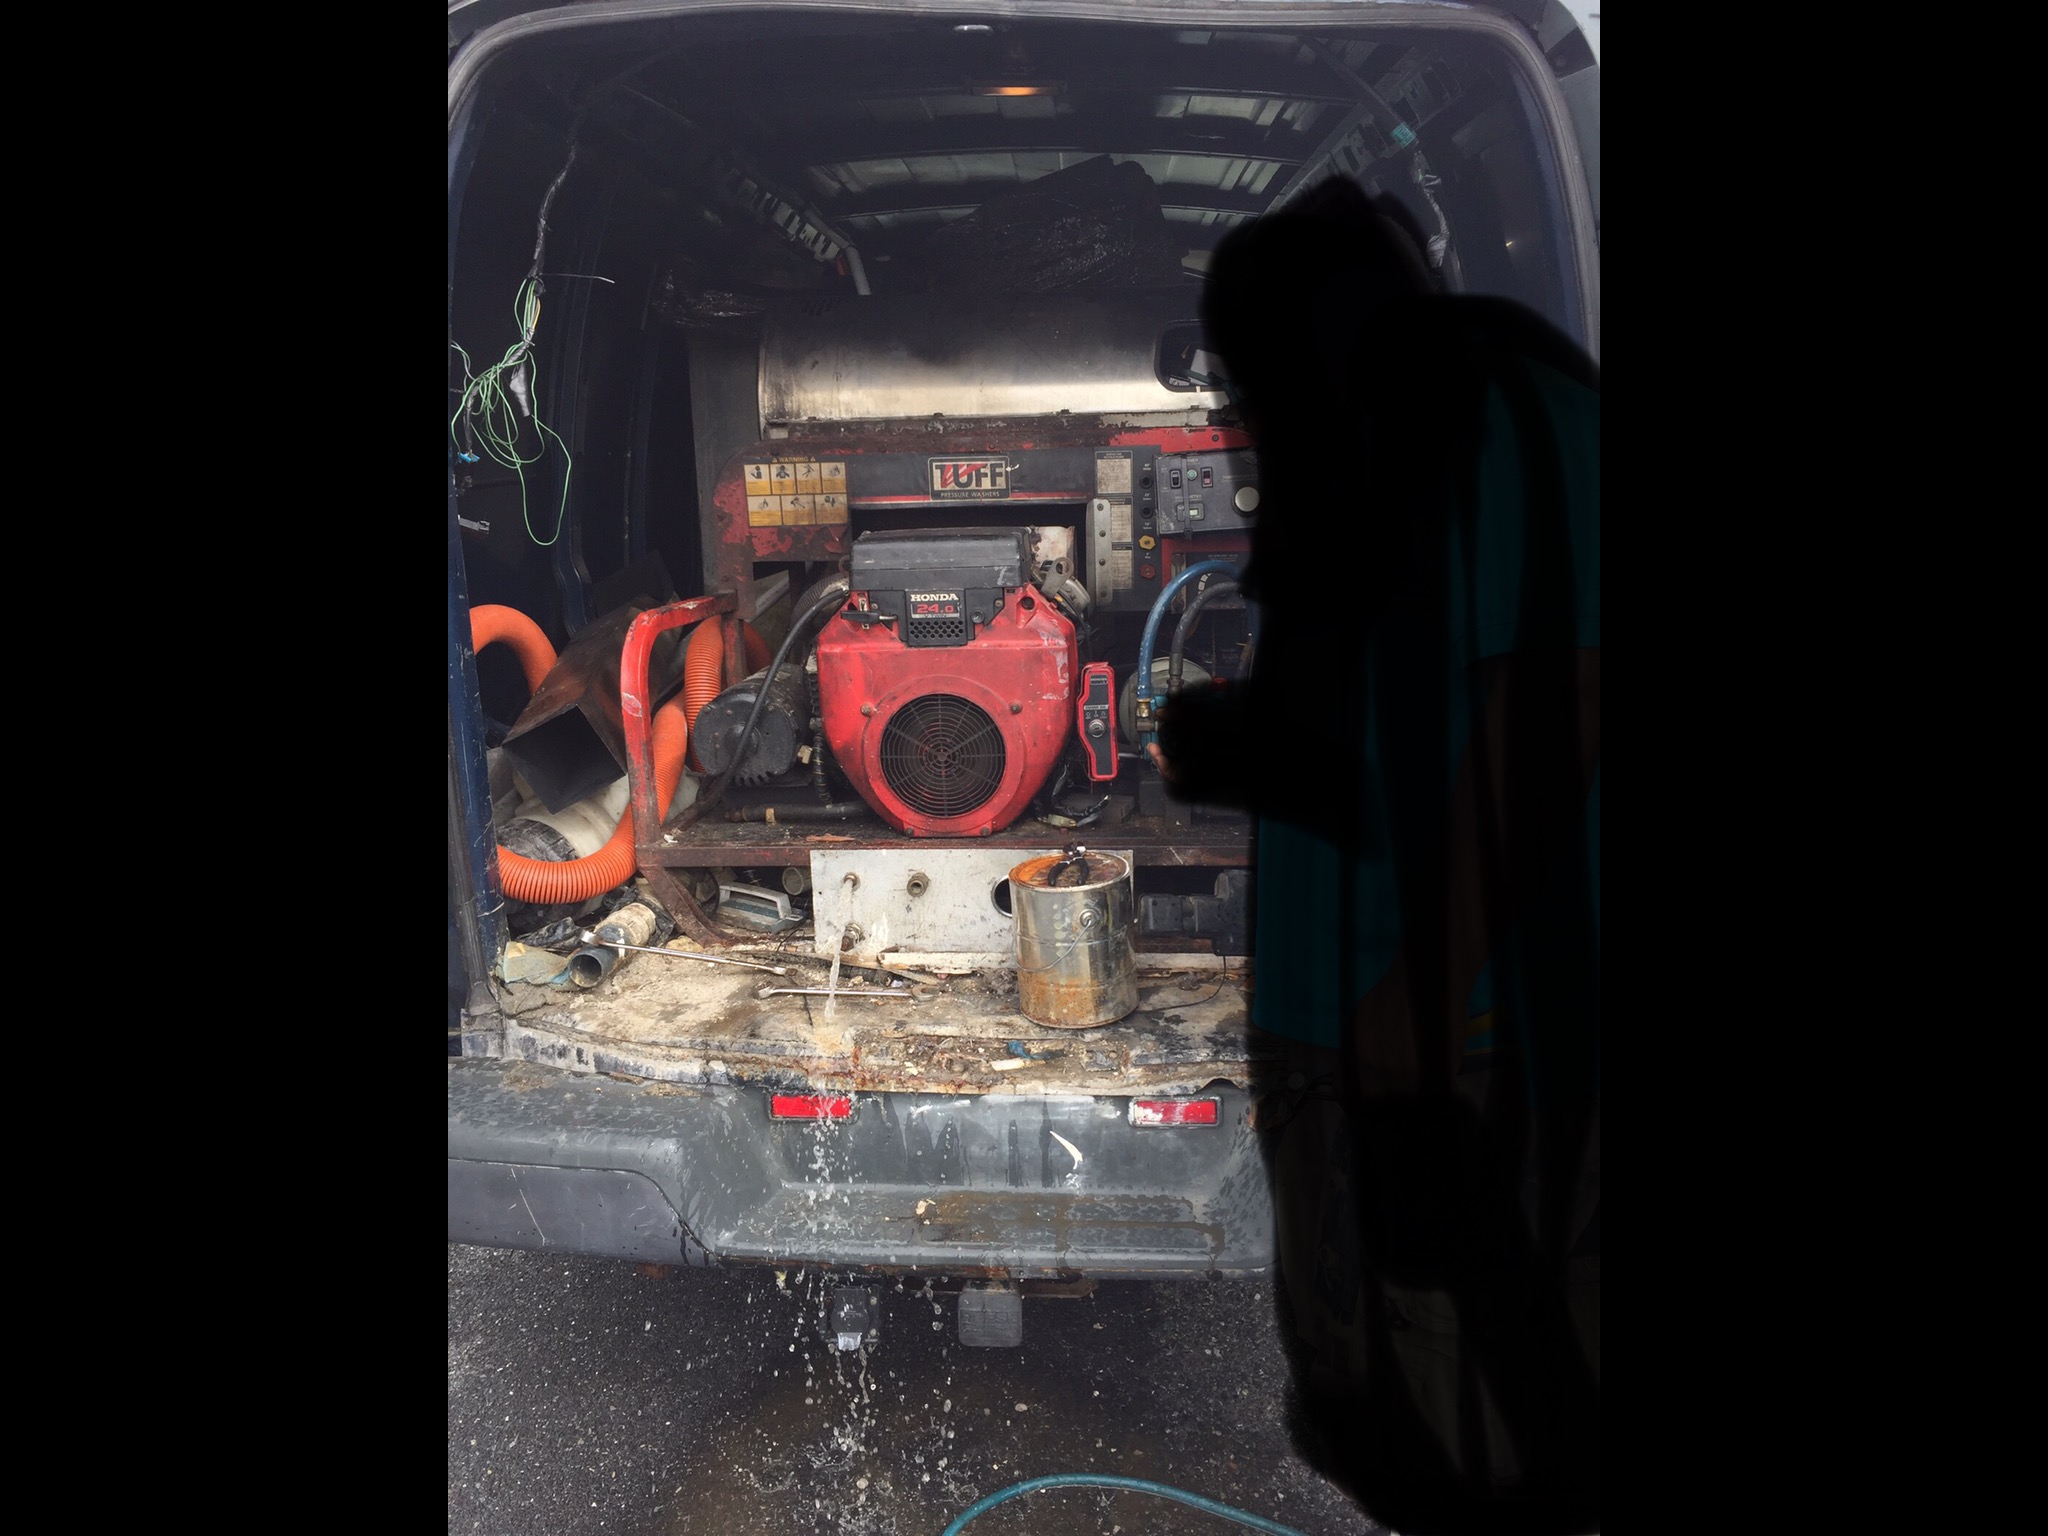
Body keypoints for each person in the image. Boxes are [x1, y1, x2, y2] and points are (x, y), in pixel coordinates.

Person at [1148, 177, 1600, 1534]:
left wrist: (1423, 984)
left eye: (1254, 379)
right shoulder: (1366, 439)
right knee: (1389, 1386)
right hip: (1350, 1027)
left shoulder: (1507, 419)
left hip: (1473, 1034)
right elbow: (1393, 710)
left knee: (1498, 1393)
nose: (1245, 417)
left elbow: (1551, 715)